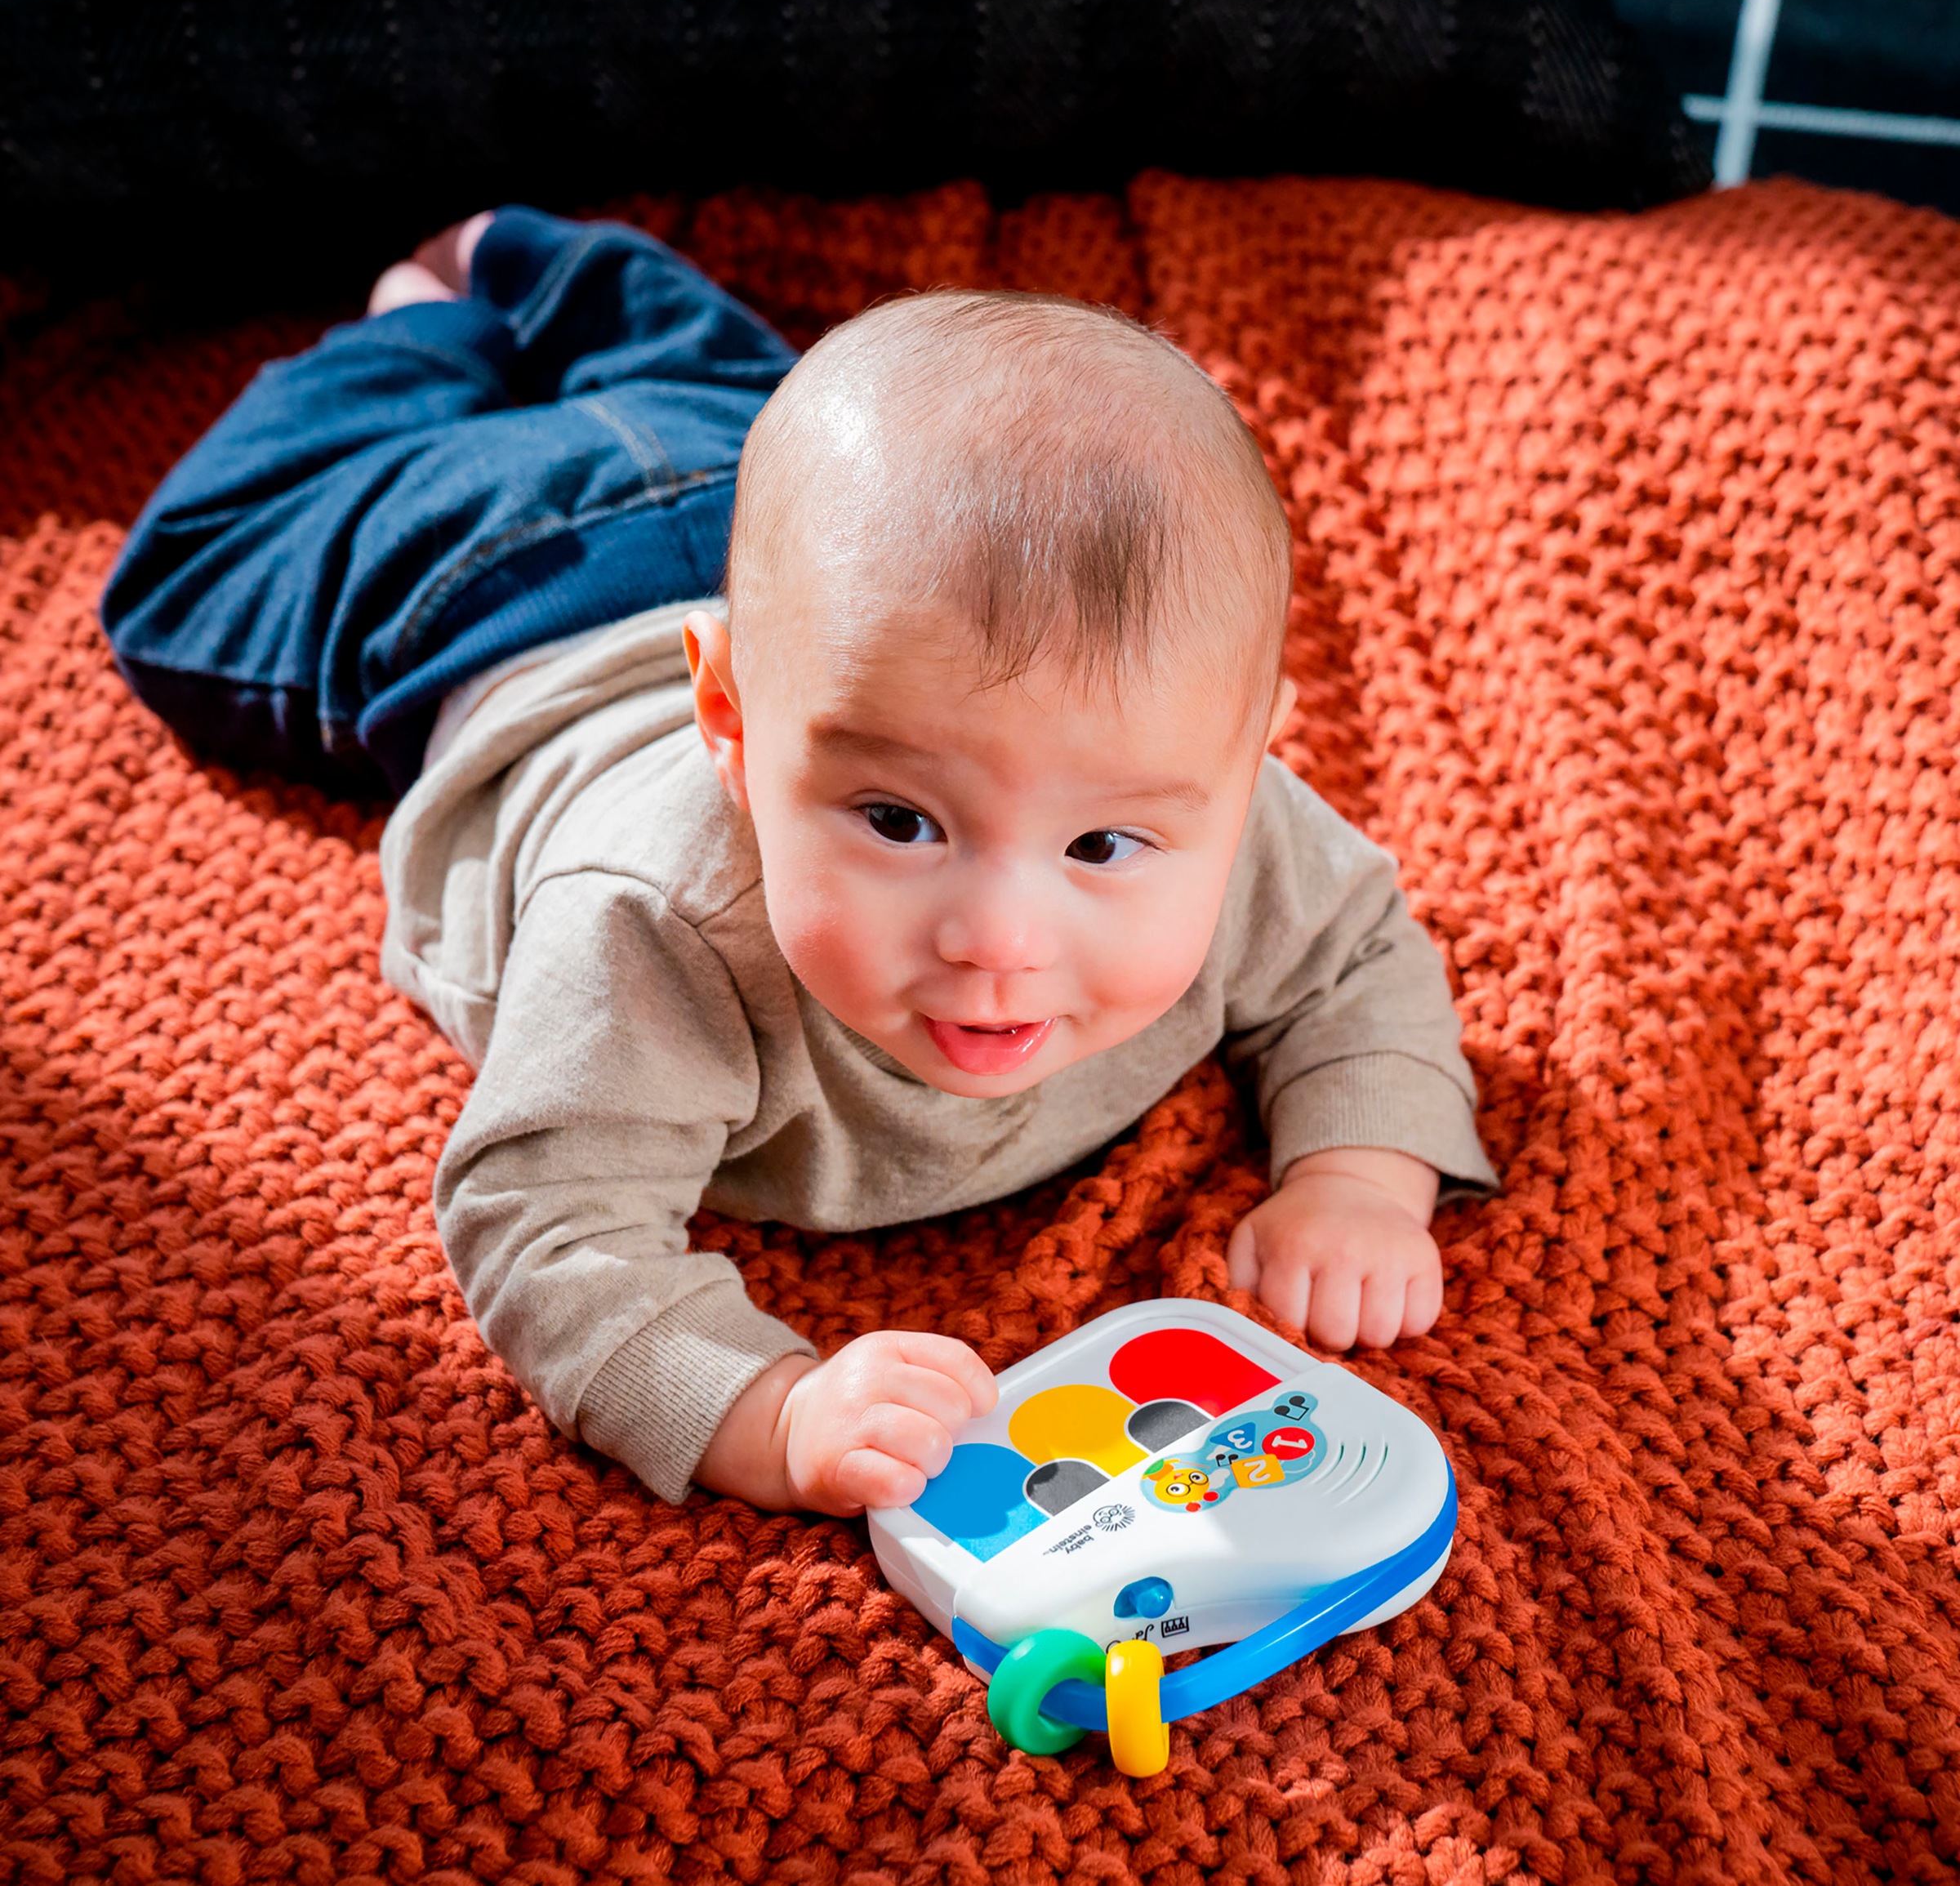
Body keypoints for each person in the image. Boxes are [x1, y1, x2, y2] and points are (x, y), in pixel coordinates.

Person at [104, 207, 1497, 1518]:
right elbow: (547, 1223)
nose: (998, 937)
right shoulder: (657, 930)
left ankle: (571, 281)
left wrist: (1359, 1176)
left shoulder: (1218, 814)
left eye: (1099, 847)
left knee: (733, 416)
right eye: (899, 821)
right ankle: (433, 314)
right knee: (184, 583)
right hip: (499, 585)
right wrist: (767, 1410)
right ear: (729, 722)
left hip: (835, 567)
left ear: (1250, 763)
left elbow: (1358, 953)